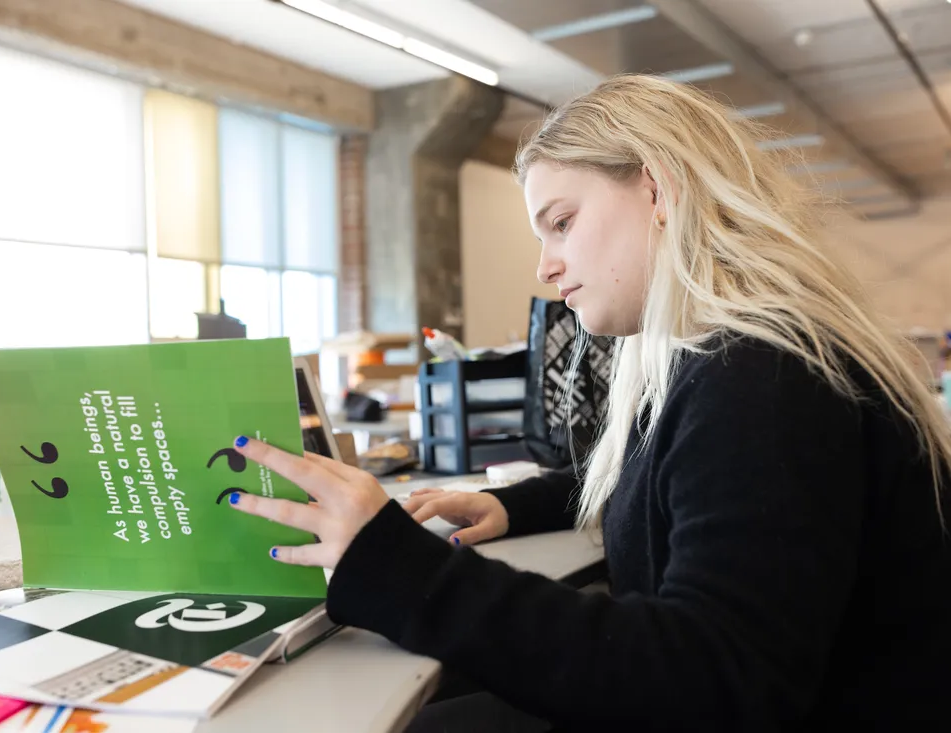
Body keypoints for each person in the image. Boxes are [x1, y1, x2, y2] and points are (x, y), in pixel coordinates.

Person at [226, 74, 951, 730]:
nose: (546, 266)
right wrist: (520, 505)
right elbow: (680, 481)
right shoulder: (727, 361)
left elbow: (716, 683)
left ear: (659, 190)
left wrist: (399, 567)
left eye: (562, 222)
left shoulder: (764, 381)